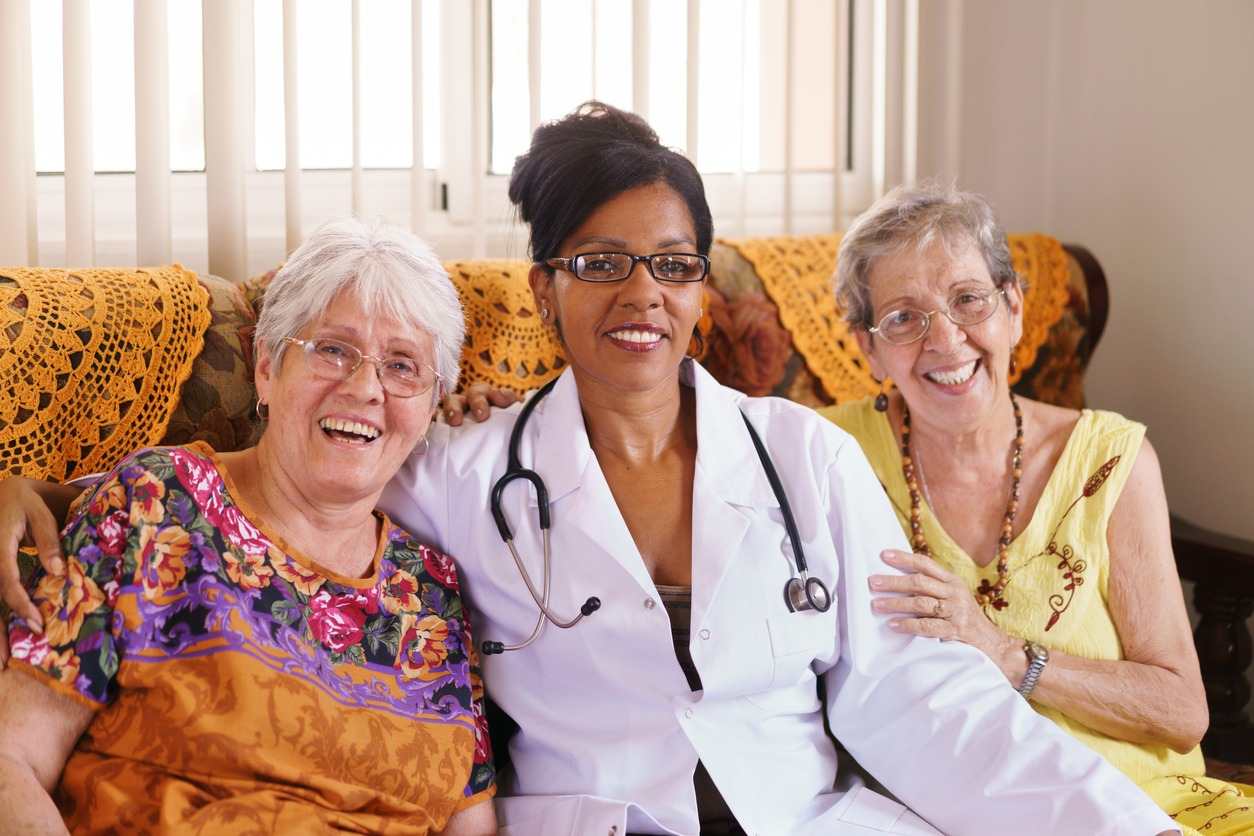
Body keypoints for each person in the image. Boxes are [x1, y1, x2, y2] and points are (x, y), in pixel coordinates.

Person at [0, 105, 1180, 836]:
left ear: (702, 290)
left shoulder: (805, 457)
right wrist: (24, 492)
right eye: (601, 259)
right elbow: (285, 489)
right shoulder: (465, 470)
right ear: (544, 284)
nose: (641, 293)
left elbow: (924, 703)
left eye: (671, 263)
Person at [0, 219, 496, 834]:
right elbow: (12, 758)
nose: (366, 388)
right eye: (334, 350)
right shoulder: (157, 505)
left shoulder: (434, 592)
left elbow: (472, 827)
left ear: (430, 406)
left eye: (402, 366)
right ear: (266, 367)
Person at [821, 182, 1254, 835]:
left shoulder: (1112, 460)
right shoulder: (826, 454)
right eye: (904, 318)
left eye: (968, 299)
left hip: (1145, 803)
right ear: (868, 348)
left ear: (1015, 309)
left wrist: (1006, 654)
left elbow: (1182, 710)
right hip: (941, 815)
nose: (945, 339)